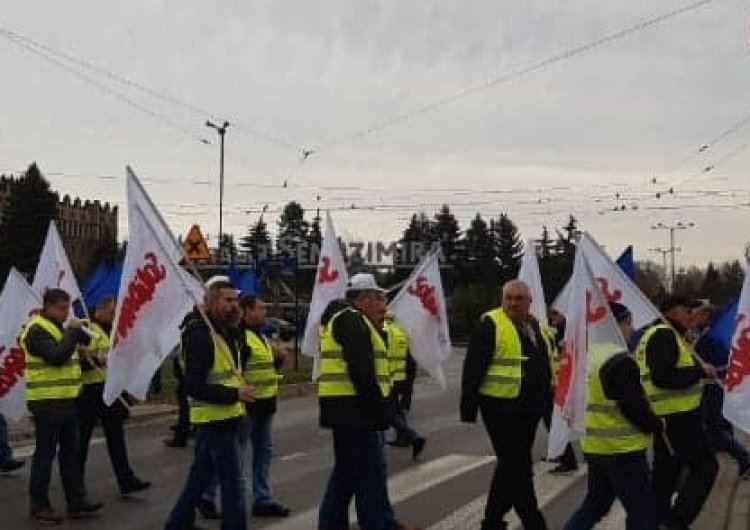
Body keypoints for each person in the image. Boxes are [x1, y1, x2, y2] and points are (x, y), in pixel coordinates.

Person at [317, 273, 421, 530]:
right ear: (363, 298)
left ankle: (332, 525)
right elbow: (362, 370)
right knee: (370, 476)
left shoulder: (349, 319)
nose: (382, 303)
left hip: (345, 410)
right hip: (356, 412)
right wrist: (380, 411)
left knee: (346, 475)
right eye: (378, 297)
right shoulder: (352, 320)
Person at [563, 302, 664, 530]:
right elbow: (633, 407)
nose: (632, 328)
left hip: (595, 446)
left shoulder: (587, 355)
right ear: (616, 325)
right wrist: (656, 424)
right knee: (643, 513)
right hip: (622, 450)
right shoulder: (620, 360)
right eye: (628, 322)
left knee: (596, 504)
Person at [164, 279, 255, 530]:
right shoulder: (200, 335)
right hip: (214, 418)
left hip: (228, 415)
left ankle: (177, 522)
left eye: (235, 300)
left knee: (200, 477)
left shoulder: (223, 330)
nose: (234, 306)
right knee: (233, 481)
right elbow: (192, 385)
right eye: (227, 301)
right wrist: (233, 394)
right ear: (211, 302)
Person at [461, 280, 551, 530]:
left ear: (529, 301)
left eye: (519, 298)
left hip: (529, 408)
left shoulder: (534, 325)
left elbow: (543, 362)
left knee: (510, 467)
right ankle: (534, 524)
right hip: (501, 408)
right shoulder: (491, 323)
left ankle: (492, 522)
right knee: (518, 468)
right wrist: (468, 408)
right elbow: (473, 367)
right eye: (508, 298)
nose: (513, 302)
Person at [20, 288, 104, 525]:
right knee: (45, 456)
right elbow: (55, 356)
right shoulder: (35, 329)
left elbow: (72, 353)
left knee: (71, 454)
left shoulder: (58, 328)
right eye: (61, 308)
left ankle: (76, 501)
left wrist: (85, 342)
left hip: (67, 400)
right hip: (46, 403)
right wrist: (72, 332)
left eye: (67, 307)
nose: (65, 312)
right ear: (47, 307)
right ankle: (39, 506)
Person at [636, 294, 718, 530]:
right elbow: (663, 377)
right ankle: (675, 523)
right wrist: (700, 372)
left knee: (665, 478)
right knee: (706, 468)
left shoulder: (662, 334)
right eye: (687, 309)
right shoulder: (663, 335)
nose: (691, 314)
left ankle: (656, 522)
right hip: (678, 419)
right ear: (671, 312)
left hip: (669, 418)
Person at [77, 295, 151, 496]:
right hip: (87, 391)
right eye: (110, 312)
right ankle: (76, 485)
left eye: (114, 313)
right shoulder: (84, 327)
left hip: (109, 388)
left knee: (116, 436)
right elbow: (74, 359)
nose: (113, 316)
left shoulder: (114, 328)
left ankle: (126, 479)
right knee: (81, 440)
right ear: (99, 309)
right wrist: (93, 360)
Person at [689, 299, 750, 478]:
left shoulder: (710, 338)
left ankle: (744, 459)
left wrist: (710, 370)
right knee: (718, 426)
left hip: (712, 389)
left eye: (696, 314)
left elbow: (725, 365)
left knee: (715, 430)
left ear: (706, 316)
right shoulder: (702, 336)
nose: (692, 318)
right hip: (710, 389)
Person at [384, 311, 426, 460]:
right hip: (398, 376)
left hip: (386, 377)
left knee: (386, 411)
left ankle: (412, 437)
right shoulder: (400, 331)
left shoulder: (384, 331)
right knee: (395, 408)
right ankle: (403, 436)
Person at [541, 309, 578, 474]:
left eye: (555, 314)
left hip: (559, 386)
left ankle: (568, 459)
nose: (551, 317)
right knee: (551, 422)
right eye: (551, 314)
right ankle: (558, 452)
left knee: (556, 421)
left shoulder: (568, 331)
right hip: (555, 384)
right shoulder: (556, 332)